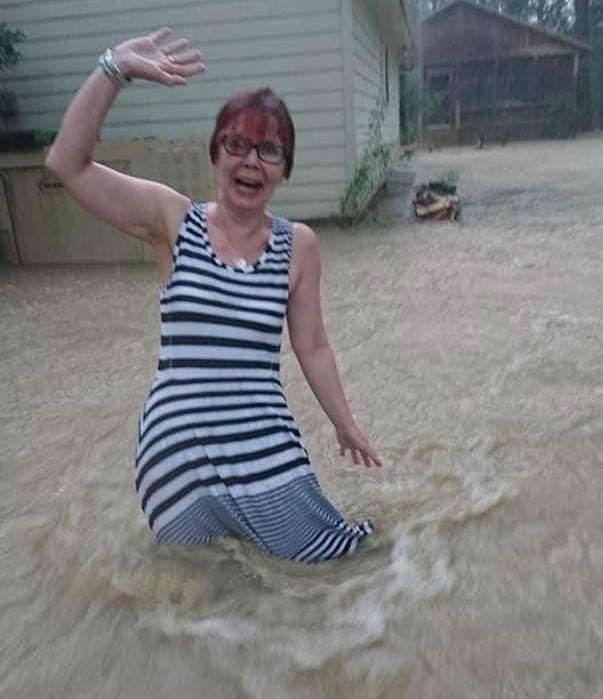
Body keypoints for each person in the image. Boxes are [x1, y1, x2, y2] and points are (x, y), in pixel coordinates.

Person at [46, 28, 382, 563]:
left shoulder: (299, 246)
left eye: (269, 150)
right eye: (237, 143)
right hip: (177, 452)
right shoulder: (172, 221)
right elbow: (67, 163)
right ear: (216, 154)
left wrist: (345, 423)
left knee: (344, 560)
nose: (252, 160)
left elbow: (313, 345)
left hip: (262, 442)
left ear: (285, 171)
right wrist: (115, 68)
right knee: (200, 597)